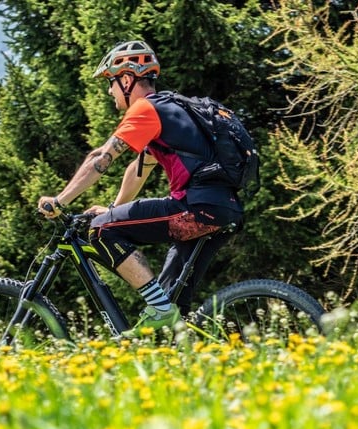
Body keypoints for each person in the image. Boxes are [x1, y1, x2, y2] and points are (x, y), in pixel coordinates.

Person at [37, 41, 243, 337]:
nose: (110, 91)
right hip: (223, 208)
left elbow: (101, 159)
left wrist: (60, 200)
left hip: (195, 208)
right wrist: (114, 209)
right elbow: (139, 168)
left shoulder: (146, 110)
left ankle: (160, 311)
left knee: (101, 229)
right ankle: (178, 352)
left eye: (111, 82)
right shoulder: (172, 110)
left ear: (126, 79)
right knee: (171, 306)